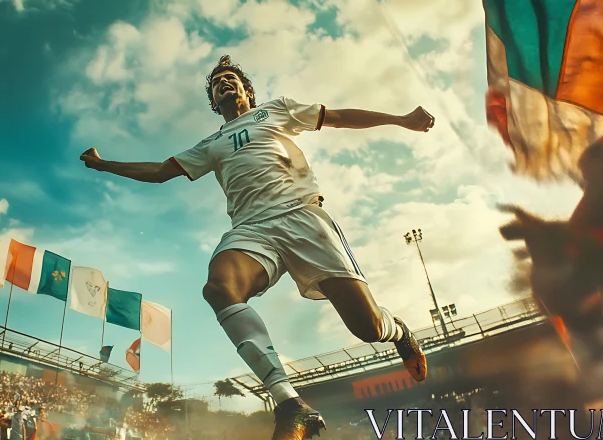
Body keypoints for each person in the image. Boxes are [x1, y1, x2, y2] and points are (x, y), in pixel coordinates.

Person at [79, 55, 433, 439]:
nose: (224, 83)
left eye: (230, 78)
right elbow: (161, 172)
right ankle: (290, 404)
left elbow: (339, 117)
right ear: (214, 101)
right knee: (219, 288)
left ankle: (398, 331)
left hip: (303, 216)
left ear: (247, 90)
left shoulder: (277, 110)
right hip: (252, 229)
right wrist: (104, 165)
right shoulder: (210, 144)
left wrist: (402, 119)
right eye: (217, 82)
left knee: (367, 327)